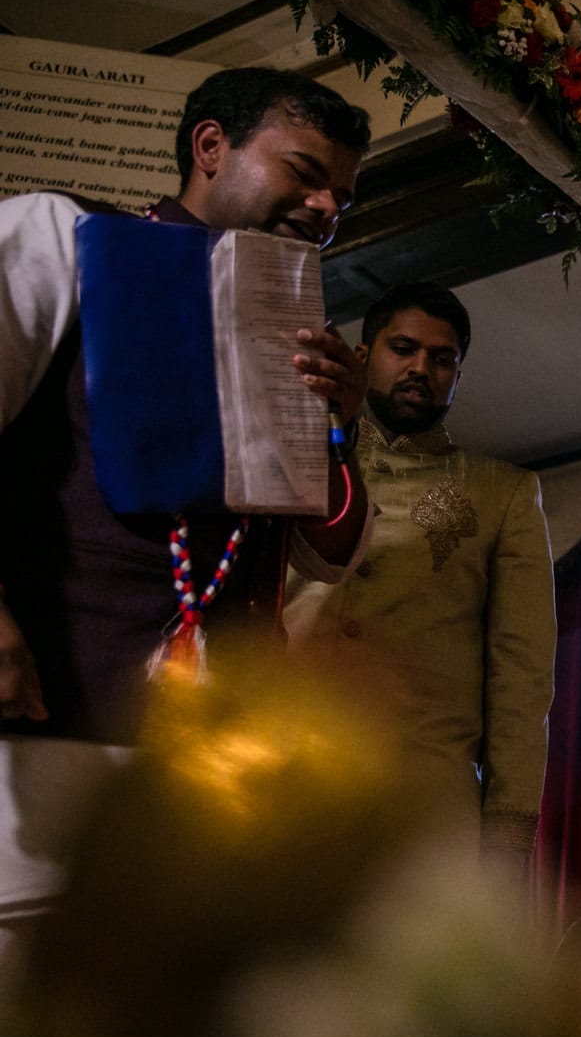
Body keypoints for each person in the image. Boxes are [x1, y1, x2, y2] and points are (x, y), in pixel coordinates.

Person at [0, 67, 374, 963]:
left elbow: (332, 555)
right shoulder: (66, 236)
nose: (326, 206)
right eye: (305, 171)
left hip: (215, 780)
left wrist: (342, 427)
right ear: (212, 148)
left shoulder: (290, 323)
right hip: (47, 750)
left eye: (343, 195)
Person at [283, 282, 556, 879]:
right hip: (281, 781)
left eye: (442, 358)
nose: (420, 369)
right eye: (402, 348)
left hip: (423, 808)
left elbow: (522, 681)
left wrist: (507, 839)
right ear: (361, 355)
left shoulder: (502, 493)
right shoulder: (294, 467)